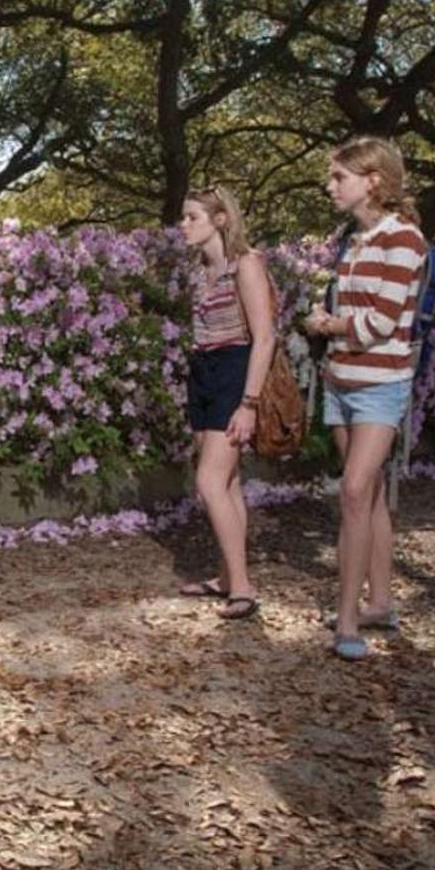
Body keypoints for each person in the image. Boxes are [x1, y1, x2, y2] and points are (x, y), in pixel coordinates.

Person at [302, 137, 429, 662]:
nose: (331, 187)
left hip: (380, 383)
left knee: (353, 493)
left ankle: (349, 621)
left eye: (339, 178)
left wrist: (326, 325)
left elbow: (380, 322)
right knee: (369, 494)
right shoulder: (352, 240)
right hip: (341, 379)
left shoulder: (404, 239)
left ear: (373, 179)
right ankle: (379, 601)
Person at [171, 186, 276, 620]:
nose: (183, 225)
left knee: (209, 482)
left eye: (192, 217)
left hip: (235, 370)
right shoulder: (199, 270)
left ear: (219, 220)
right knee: (227, 483)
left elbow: (265, 336)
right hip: (204, 371)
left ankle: (244, 589)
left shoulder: (245, 264)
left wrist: (249, 402)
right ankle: (229, 577)